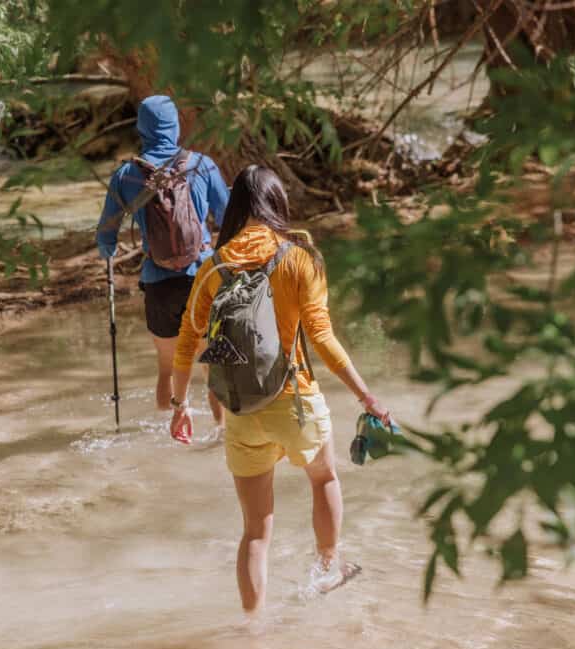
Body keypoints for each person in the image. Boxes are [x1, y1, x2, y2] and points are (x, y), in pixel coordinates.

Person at [168, 165, 391, 614]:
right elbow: (322, 337)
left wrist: (180, 404)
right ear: (278, 203)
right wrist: (365, 396)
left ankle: (253, 629)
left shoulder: (213, 267)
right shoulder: (299, 258)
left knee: (255, 531)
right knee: (324, 478)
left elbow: (188, 341)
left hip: (241, 410)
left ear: (235, 207)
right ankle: (328, 569)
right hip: (295, 402)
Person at [97, 95, 229, 422]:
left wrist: (108, 253)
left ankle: (170, 431)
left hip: (159, 283)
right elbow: (228, 217)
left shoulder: (126, 175)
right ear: (176, 126)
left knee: (167, 367)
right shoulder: (202, 165)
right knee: (212, 367)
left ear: (141, 128)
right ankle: (219, 435)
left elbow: (106, 235)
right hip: (202, 280)